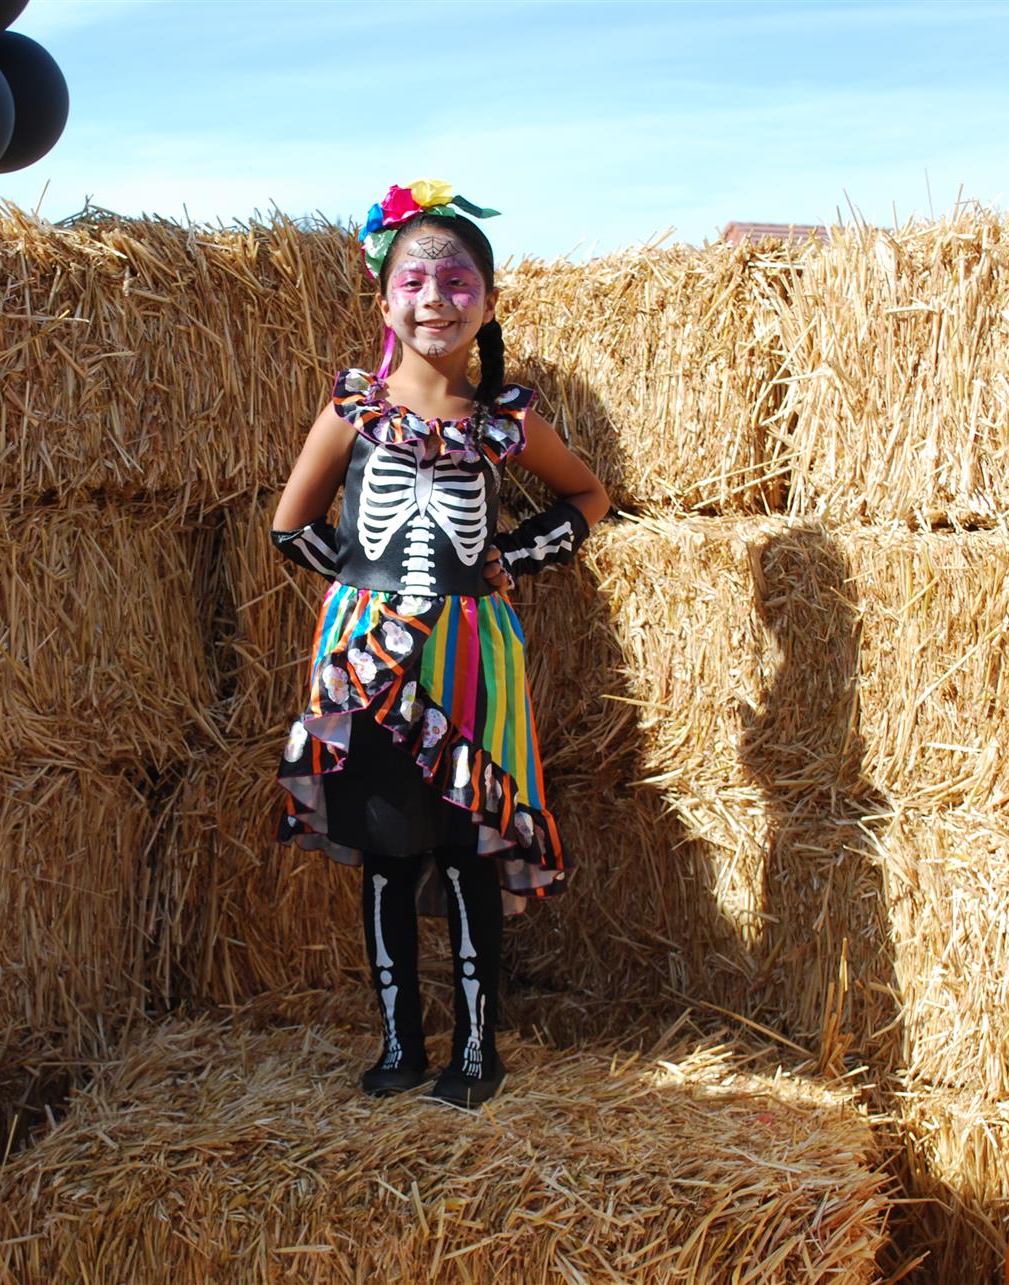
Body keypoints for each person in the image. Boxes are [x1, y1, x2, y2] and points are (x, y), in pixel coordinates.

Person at [269, 180, 612, 1108]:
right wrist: (364, 590)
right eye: (416, 281)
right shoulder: (350, 413)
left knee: (469, 845)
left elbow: (589, 496)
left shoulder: (503, 422)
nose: (435, 300)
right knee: (386, 851)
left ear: (489, 304)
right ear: (385, 300)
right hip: (368, 660)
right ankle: (396, 1045)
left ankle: (476, 1050)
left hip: (473, 655)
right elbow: (290, 526)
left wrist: (511, 554)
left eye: (459, 283)